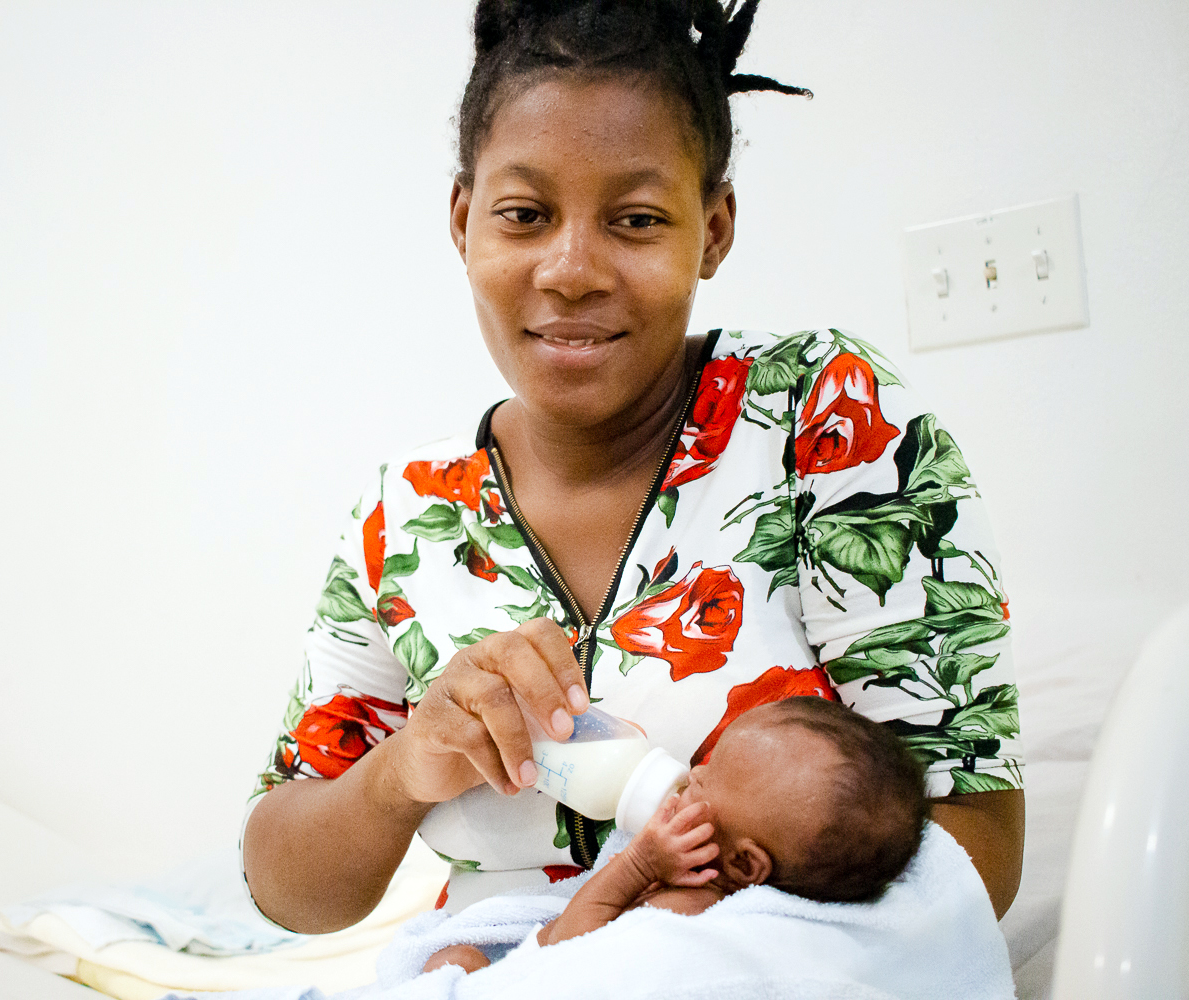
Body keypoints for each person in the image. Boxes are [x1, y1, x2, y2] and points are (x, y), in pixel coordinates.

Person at [241, 0, 1024, 936]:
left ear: (714, 228)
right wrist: (405, 765)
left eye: (637, 218)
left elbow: (974, 838)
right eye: (524, 214)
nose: (571, 269)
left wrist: (662, 947)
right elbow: (285, 889)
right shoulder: (401, 523)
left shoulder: (823, 420)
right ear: (464, 222)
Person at [421, 696, 930, 975]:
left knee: (454, 965)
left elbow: (569, 949)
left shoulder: (684, 916)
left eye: (709, 780)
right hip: (523, 961)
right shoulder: (693, 886)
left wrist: (639, 865)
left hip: (533, 977)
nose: (692, 771)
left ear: (745, 864)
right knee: (455, 958)